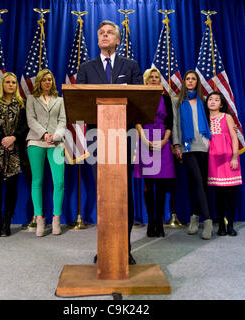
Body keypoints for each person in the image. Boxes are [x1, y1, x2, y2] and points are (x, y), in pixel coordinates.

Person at [76, 20, 143, 264]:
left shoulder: (131, 66)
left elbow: (139, 100)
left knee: (123, 192)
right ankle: (105, 247)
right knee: (104, 193)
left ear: (118, 40)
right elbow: (80, 101)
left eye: (110, 33)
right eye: (101, 33)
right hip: (97, 136)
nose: (105, 36)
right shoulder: (86, 67)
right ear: (98, 40)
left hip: (124, 135)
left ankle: (124, 248)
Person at [0, 72, 28, 238]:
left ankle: (7, 221)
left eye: (14, 82)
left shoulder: (22, 104)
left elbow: (25, 125)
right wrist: (2, 139)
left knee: (11, 187)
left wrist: (13, 137)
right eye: (8, 82)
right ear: (2, 84)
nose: (11, 85)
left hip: (14, 151)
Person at [134, 68, 175, 237]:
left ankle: (160, 221)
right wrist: (144, 140)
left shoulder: (166, 98)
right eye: (151, 77)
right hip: (145, 140)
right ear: (146, 79)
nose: (153, 79)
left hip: (162, 142)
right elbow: (136, 121)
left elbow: (170, 122)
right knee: (149, 184)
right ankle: (151, 222)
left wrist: (165, 141)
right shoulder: (141, 97)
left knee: (161, 185)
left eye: (156, 77)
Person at [172, 70, 213, 239]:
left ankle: (194, 217)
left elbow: (214, 118)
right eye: (187, 79)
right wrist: (176, 145)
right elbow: (174, 123)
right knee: (197, 180)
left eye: (193, 79)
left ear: (197, 82)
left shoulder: (203, 101)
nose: (190, 81)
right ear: (184, 82)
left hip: (203, 144)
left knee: (200, 183)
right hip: (187, 145)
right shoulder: (178, 101)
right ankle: (208, 221)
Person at [26, 69, 66, 237]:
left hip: (56, 144)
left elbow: (63, 121)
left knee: (59, 182)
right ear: (39, 82)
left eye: (50, 79)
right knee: (37, 181)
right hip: (36, 142)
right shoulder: (31, 99)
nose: (47, 82)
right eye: (44, 80)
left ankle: (56, 219)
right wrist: (44, 134)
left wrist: (55, 136)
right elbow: (31, 119)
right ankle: (40, 219)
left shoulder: (60, 100)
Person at [206, 92, 242, 236]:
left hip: (228, 157)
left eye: (216, 100)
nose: (213, 102)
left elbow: (234, 138)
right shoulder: (204, 118)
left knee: (230, 194)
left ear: (221, 104)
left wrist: (234, 156)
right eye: (210, 99)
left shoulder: (227, 117)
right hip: (213, 159)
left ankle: (230, 225)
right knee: (219, 194)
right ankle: (221, 224)